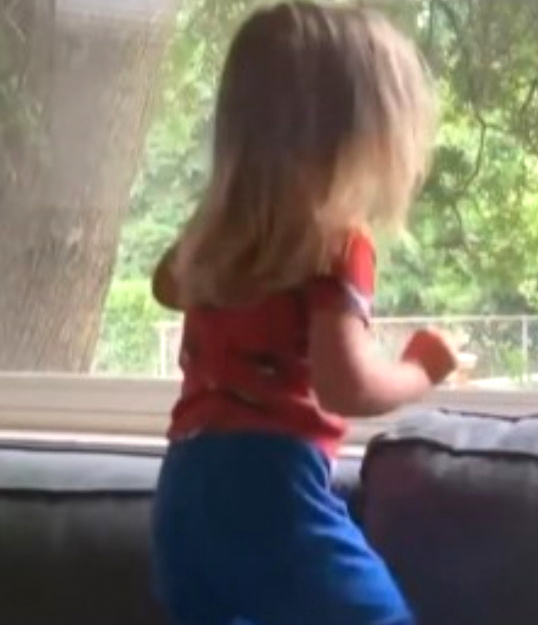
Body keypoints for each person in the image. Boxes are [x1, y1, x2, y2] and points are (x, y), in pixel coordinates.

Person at [148, 4, 448, 625]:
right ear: (359, 139)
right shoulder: (337, 244)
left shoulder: (213, 235)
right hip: (270, 490)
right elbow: (345, 386)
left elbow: (166, 288)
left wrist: (240, 254)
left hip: (182, 490)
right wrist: (421, 369)